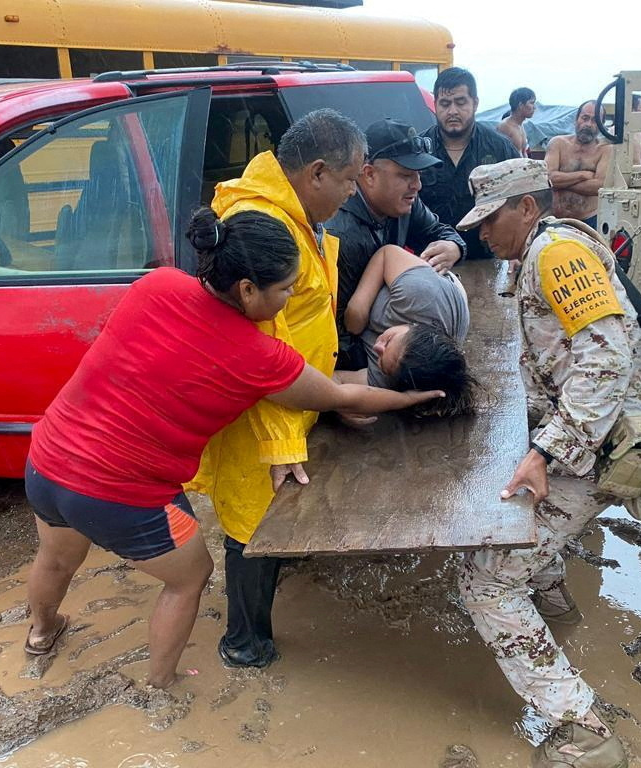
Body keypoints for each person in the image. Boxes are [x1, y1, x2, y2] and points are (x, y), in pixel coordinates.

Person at [23, 208, 442, 689]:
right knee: (190, 575)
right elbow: (342, 395)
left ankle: (42, 631)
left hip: (48, 460)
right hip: (121, 491)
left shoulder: (157, 284)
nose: (287, 301)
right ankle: (162, 686)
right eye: (284, 289)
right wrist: (410, 396)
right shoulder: (256, 357)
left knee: (56, 558)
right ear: (247, 289)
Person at [455, 158, 641, 768]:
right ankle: (555, 605)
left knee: (484, 579)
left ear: (526, 206)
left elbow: (606, 362)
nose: (482, 234)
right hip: (590, 433)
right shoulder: (532, 256)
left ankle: (586, 732)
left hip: (601, 440)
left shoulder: (556, 254)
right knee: (521, 524)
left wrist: (545, 452)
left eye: (491, 219)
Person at [187, 108, 366, 669]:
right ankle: (245, 644)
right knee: (250, 524)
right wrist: (283, 445)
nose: (351, 193)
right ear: (317, 173)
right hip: (261, 415)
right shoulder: (260, 226)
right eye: (349, 180)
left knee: (270, 518)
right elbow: (260, 350)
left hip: (295, 399)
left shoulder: (292, 212)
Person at [327, 118, 466, 370]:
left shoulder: (403, 204)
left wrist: (454, 246)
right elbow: (338, 331)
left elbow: (437, 230)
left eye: (418, 175)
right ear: (368, 174)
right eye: (405, 175)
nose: (417, 185)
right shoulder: (340, 234)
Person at [340, 244, 476, 417]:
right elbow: (387, 253)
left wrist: (341, 404)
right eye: (389, 341)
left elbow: (334, 383)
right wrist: (359, 306)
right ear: (414, 326)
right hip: (436, 284)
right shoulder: (420, 295)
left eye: (383, 365)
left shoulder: (388, 380)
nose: (377, 348)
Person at [419, 67, 520, 261]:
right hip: (430, 260)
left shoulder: (500, 148)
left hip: (486, 259)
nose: (452, 111)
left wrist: (519, 251)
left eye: (460, 102)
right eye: (445, 103)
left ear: (475, 103)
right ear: (435, 104)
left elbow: (520, 200)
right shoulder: (419, 150)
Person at [546, 100, 613, 229]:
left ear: (601, 125)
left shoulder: (605, 150)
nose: (588, 124)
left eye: (595, 120)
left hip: (589, 222)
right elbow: (547, 179)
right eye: (585, 118)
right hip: (556, 221)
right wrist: (583, 175)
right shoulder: (558, 144)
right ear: (576, 120)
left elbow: (598, 187)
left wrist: (561, 184)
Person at [498, 87, 536, 157]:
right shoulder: (505, 126)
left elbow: (523, 153)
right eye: (531, 103)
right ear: (521, 105)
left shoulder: (520, 126)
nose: (534, 107)